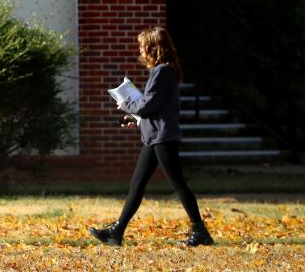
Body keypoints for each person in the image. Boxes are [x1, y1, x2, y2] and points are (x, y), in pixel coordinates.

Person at [88, 26, 214, 247]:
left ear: (152, 47)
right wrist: (134, 118)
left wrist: (126, 103)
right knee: (137, 183)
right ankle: (116, 232)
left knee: (178, 184)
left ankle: (200, 231)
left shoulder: (162, 72)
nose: (140, 50)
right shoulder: (164, 71)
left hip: (163, 137)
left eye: (142, 46)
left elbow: (148, 104)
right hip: (155, 135)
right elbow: (155, 109)